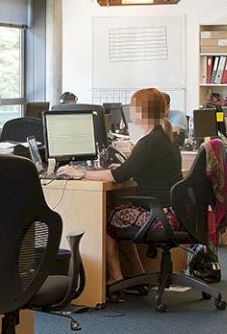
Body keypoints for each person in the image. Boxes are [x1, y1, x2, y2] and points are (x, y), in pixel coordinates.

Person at [58, 87, 181, 284]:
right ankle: (137, 274)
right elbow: (136, 169)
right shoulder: (165, 137)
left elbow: (117, 176)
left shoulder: (149, 142)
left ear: (141, 112)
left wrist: (80, 173)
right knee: (120, 216)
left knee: (103, 220)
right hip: (171, 211)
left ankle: (116, 277)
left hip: (159, 215)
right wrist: (125, 167)